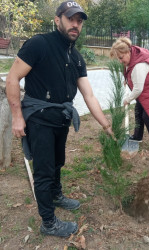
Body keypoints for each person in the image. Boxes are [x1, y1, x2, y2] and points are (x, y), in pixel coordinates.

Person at [6, 1, 113, 237]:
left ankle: (56, 195)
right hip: (39, 119)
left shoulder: (76, 57)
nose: (75, 25)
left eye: (79, 21)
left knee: (57, 163)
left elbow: (89, 95)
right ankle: (48, 222)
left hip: (60, 119)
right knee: (43, 171)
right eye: (70, 19)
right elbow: (12, 79)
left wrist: (106, 124)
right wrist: (17, 117)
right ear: (58, 20)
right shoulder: (39, 44)